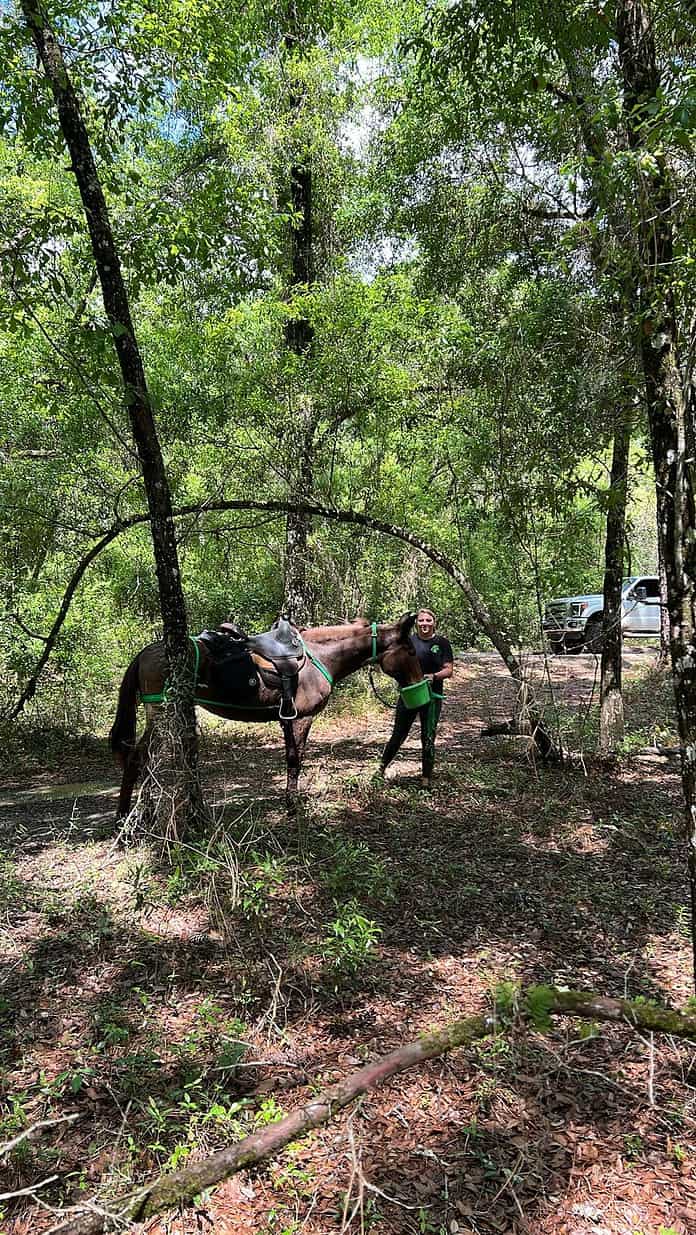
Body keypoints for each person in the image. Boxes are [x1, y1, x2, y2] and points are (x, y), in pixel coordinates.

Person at [377, 608, 453, 788]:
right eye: (421, 621)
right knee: (398, 734)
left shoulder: (442, 643)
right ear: (416, 623)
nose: (424, 624)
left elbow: (449, 670)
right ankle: (380, 770)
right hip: (409, 694)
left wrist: (433, 676)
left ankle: (426, 779)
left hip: (431, 696)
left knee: (428, 736)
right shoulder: (408, 642)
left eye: (428, 620)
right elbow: (392, 662)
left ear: (434, 622)